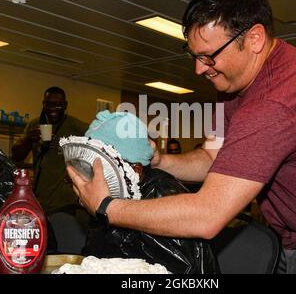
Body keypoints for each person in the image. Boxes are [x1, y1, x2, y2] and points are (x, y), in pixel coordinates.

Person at [67, 0, 296, 273]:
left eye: (208, 56)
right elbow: (212, 158)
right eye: (193, 55)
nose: (199, 69)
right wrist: (159, 159)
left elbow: (207, 215)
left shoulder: (276, 100)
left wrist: (107, 206)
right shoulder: (235, 88)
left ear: (254, 38)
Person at [80, 111, 218, 273]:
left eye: (101, 168)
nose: (93, 177)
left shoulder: (163, 196)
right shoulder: (111, 194)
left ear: (135, 170)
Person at [12, 86, 89, 254]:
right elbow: (16, 156)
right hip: (39, 202)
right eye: (49, 104)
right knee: (38, 249)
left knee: (60, 248)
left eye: (58, 104)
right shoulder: (35, 124)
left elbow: (98, 149)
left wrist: (82, 173)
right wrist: (27, 140)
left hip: (65, 204)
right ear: (43, 104)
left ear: (65, 105)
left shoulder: (77, 127)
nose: (54, 108)